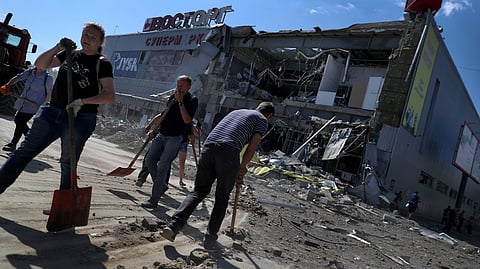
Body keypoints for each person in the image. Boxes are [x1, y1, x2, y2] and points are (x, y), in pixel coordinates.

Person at [0, 22, 114, 194]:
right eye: (85, 35)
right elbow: (40, 64)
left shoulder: (102, 63)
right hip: (52, 113)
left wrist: (82, 102)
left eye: (93, 37)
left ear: (100, 43)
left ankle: (64, 205)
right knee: (23, 152)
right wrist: (57, 47)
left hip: (80, 119)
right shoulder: (69, 54)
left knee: (68, 162)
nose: (87, 39)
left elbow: (109, 95)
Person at [160, 102, 275, 248]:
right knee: (222, 196)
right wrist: (242, 167)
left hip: (209, 147)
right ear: (269, 115)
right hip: (229, 151)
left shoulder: (238, 111)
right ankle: (210, 238)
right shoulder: (262, 120)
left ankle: (173, 226)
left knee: (198, 191)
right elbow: (251, 148)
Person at [140, 75, 198, 209]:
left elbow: (187, 120)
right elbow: (164, 115)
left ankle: (153, 200)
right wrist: (152, 127)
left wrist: (181, 102)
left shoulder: (192, 100)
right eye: (177, 84)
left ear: (188, 87)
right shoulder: (173, 97)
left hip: (175, 137)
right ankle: (161, 186)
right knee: (149, 160)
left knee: (163, 166)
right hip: (162, 134)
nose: (179, 88)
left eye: (182, 85)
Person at [0, 66, 53, 152]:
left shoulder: (47, 78)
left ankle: (13, 144)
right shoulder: (30, 72)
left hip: (34, 105)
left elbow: (49, 93)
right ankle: (31, 140)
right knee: (19, 121)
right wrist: (8, 85)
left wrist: (44, 105)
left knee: (20, 121)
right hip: (23, 102)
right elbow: (18, 77)